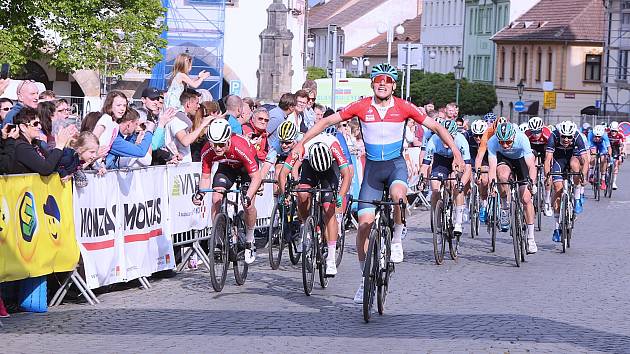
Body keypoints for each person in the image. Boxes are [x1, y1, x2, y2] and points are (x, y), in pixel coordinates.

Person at [291, 63, 464, 303]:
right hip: (372, 170)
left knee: (398, 197)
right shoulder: (362, 106)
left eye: (387, 80)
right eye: (378, 79)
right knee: (363, 226)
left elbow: (435, 126)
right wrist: (302, 142)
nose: (382, 83)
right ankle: (364, 281)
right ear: (373, 83)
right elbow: (325, 122)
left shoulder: (404, 107)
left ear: (393, 85)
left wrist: (455, 152)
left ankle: (396, 240)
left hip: (395, 167)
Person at [277, 132, 352, 276]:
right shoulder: (302, 147)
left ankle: (330, 257)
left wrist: (341, 197)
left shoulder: (334, 146)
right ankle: (305, 224)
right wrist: (284, 194)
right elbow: (282, 173)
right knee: (302, 193)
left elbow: (347, 175)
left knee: (328, 208)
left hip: (330, 169)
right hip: (309, 165)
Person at [192, 119, 262, 264]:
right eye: (213, 144)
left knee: (248, 204)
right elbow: (206, 177)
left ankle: (249, 240)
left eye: (221, 144)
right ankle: (218, 240)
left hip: (245, 170)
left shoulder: (240, 146)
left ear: (228, 139)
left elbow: (256, 177)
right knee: (216, 197)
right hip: (226, 168)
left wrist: (248, 196)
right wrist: (201, 193)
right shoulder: (208, 150)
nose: (217, 148)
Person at [487, 122, 538, 253]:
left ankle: (531, 238)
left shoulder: (522, 139)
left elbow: (531, 166)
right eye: (502, 142)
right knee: (502, 176)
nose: (504, 145)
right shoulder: (492, 141)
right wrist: (492, 184)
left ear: (513, 137)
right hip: (504, 160)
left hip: (521, 161)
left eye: (508, 142)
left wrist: (532, 183)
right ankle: (505, 207)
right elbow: (492, 167)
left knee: (526, 199)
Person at [420, 119, 472, 235]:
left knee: (456, 185)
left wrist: (462, 183)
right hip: (440, 161)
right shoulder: (433, 140)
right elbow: (425, 165)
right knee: (435, 188)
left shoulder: (461, 141)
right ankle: (437, 218)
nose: (445, 142)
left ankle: (458, 222)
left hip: (456, 160)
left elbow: (468, 168)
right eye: (443, 138)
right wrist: (422, 179)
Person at [545, 121, 589, 242]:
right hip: (558, 160)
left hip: (573, 158)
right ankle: (557, 227)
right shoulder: (553, 136)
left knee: (575, 165)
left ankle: (577, 197)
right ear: (559, 134)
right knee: (558, 189)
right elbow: (548, 159)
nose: (566, 139)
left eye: (569, 137)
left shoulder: (578, 137)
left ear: (573, 135)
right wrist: (547, 176)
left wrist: (583, 176)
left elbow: (585, 160)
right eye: (563, 136)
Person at [9, 107, 77, 175]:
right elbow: (45, 169)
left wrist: (64, 173)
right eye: (35, 124)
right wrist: (60, 145)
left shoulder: (37, 144)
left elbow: (52, 163)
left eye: (39, 123)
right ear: (23, 127)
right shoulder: (21, 147)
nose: (40, 127)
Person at [164, 90, 212, 163]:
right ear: (188, 104)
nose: (198, 106)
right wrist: (203, 125)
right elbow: (185, 141)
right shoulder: (177, 120)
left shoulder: (181, 119)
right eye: (197, 103)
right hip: (178, 166)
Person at [524, 116, 554, 217]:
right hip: (533, 149)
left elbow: (551, 152)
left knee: (547, 173)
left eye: (537, 132)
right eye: (533, 132)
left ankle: (547, 202)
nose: (535, 134)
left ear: (541, 129)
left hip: (545, 148)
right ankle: (533, 184)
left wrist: (549, 165)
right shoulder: (527, 134)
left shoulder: (547, 133)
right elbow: (525, 150)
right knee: (532, 163)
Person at [465, 119, 490, 222]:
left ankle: (483, 203)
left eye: (481, 135)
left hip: (484, 159)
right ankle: (466, 204)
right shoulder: (467, 136)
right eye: (476, 135)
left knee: (484, 180)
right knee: (466, 177)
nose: (478, 138)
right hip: (471, 157)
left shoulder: (489, 137)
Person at [93, 91, 127, 158]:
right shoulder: (106, 118)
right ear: (110, 106)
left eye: (124, 105)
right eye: (118, 105)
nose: (122, 109)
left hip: (100, 162)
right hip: (92, 159)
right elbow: (93, 138)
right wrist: (95, 154)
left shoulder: (116, 125)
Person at [588, 124, 612, 190]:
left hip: (602, 145)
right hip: (593, 144)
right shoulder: (590, 134)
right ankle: (591, 174)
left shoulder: (604, 135)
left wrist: (608, 155)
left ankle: (603, 180)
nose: (597, 138)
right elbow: (588, 147)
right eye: (596, 136)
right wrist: (591, 154)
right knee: (593, 156)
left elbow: (609, 147)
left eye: (599, 137)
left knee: (603, 159)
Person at [607, 121, 625, 190]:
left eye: (615, 131)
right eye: (612, 131)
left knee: (617, 164)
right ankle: (605, 173)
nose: (613, 132)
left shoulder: (620, 134)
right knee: (606, 160)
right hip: (608, 147)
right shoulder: (607, 134)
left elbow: (624, 144)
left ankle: (614, 182)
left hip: (616, 148)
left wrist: (622, 152)